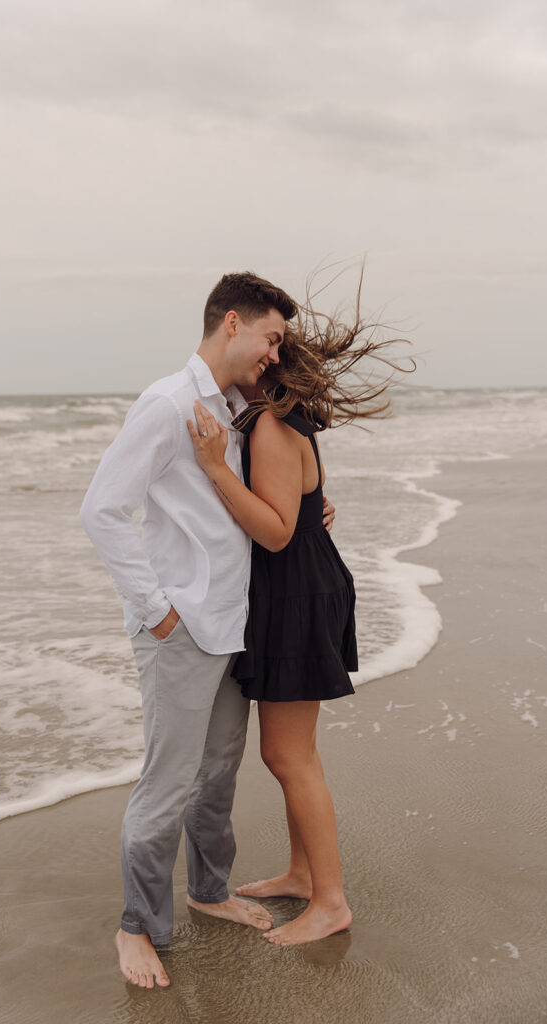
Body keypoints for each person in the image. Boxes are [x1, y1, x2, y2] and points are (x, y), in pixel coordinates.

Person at [79, 272, 300, 988]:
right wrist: (156, 609)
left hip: (229, 624)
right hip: (180, 627)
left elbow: (240, 509)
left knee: (214, 778)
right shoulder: (168, 403)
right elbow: (103, 509)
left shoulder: (235, 409)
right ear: (230, 322)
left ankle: (208, 892)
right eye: (270, 338)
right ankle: (134, 927)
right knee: (167, 785)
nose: (274, 353)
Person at [187, 282, 406, 945]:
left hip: (295, 595)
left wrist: (212, 469)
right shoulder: (276, 423)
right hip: (298, 588)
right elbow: (303, 512)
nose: (258, 360)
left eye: (270, 350)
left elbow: (277, 532)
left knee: (288, 757)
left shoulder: (272, 428)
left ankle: (330, 901)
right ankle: (301, 875)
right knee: (293, 753)